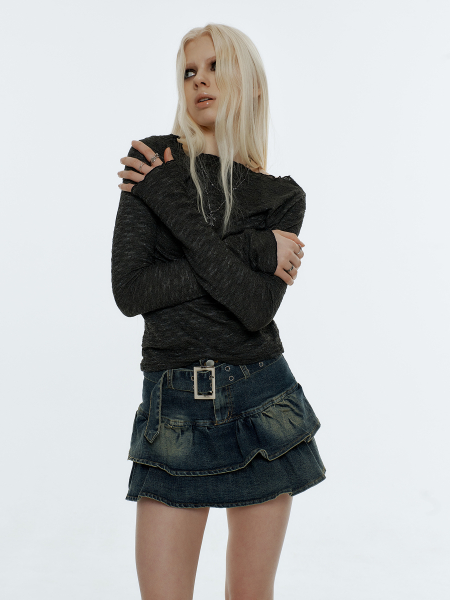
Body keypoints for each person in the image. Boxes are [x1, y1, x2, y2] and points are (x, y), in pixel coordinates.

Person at [112, 23, 326, 600]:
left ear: (250, 84)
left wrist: (173, 210)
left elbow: (253, 308)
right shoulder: (153, 162)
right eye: (189, 71)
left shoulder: (281, 196)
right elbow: (131, 291)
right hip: (174, 403)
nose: (199, 81)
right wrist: (253, 250)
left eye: (215, 68)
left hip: (261, 397)